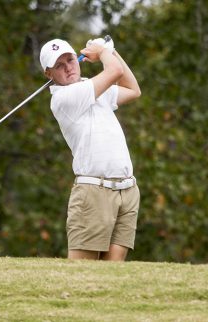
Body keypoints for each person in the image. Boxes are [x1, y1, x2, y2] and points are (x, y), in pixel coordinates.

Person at [39, 36, 141, 261]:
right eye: (59, 65)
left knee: (112, 277)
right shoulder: (64, 98)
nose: (68, 68)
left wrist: (111, 51)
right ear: (49, 74)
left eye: (70, 60)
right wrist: (104, 51)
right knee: (83, 277)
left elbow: (133, 90)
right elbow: (113, 71)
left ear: (78, 59)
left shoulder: (93, 88)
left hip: (126, 190)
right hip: (93, 192)